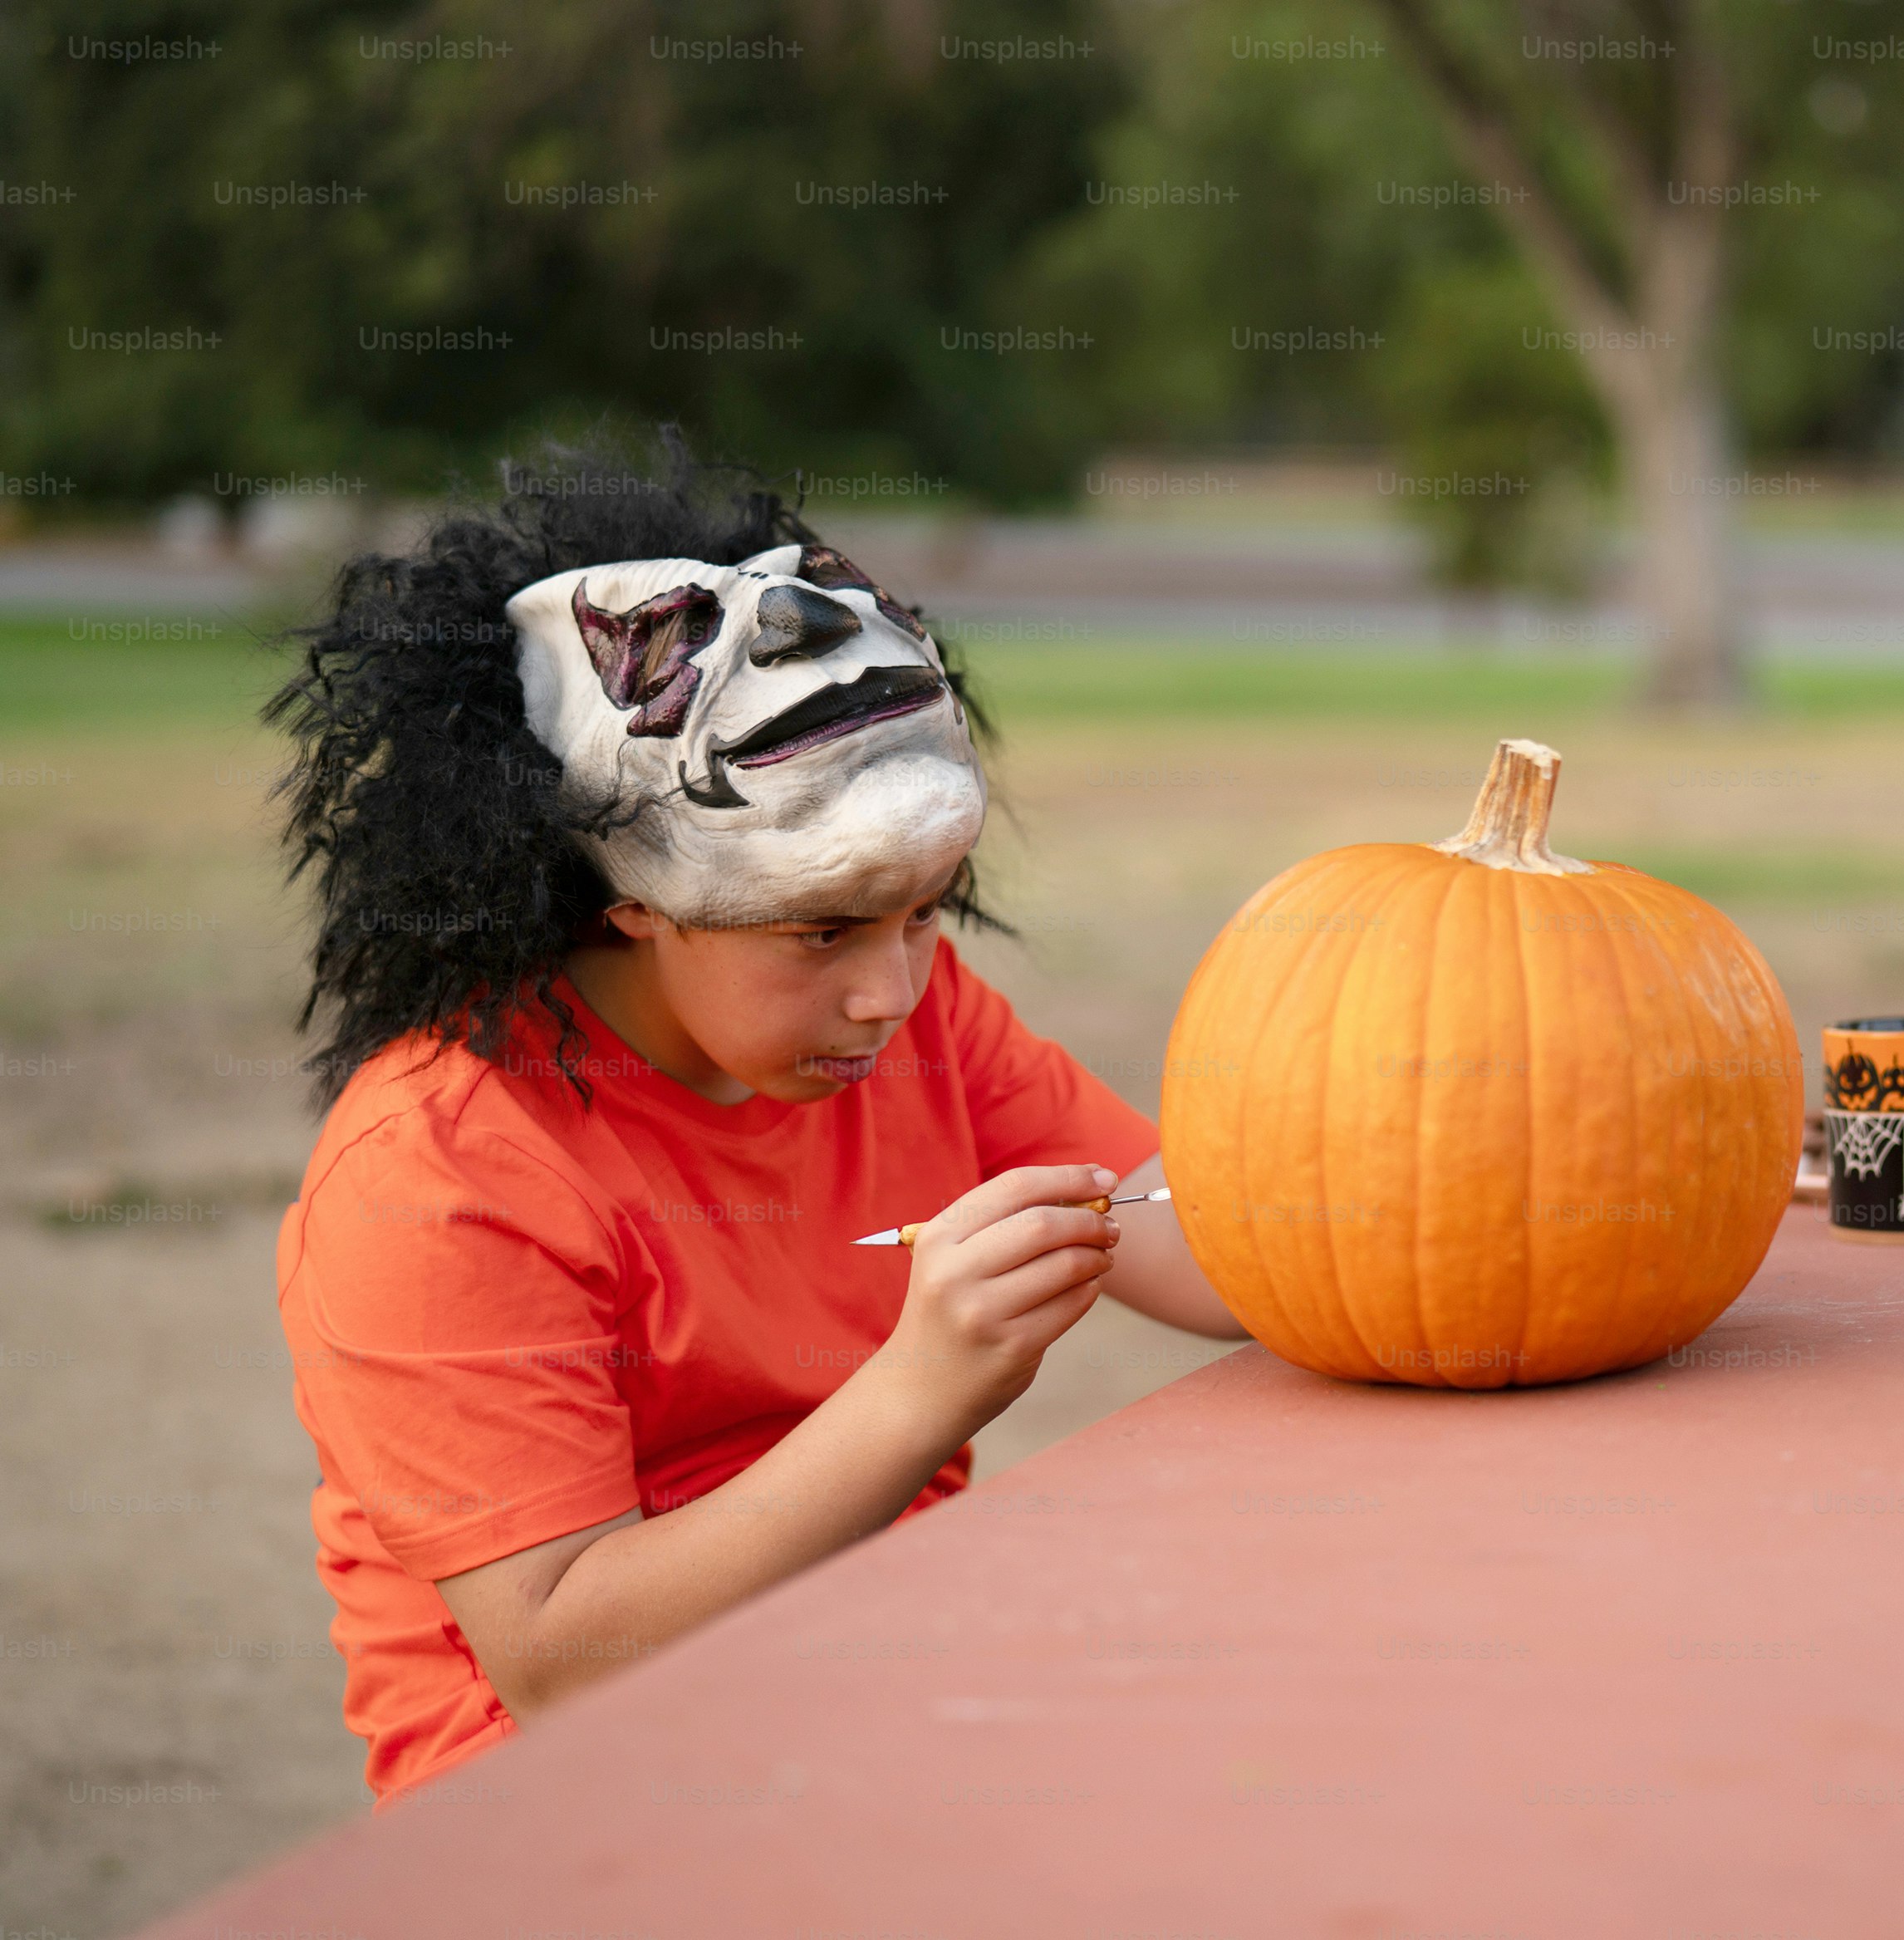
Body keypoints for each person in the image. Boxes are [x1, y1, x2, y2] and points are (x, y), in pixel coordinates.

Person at [265, 440, 1240, 1801]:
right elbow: (563, 1662)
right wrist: (921, 1388)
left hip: (882, 1727)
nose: (888, 995)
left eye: (923, 916)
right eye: (824, 931)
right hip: (567, 1825)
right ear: (632, 906)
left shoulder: (922, 1020)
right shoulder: (438, 1177)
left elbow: (1213, 1248)